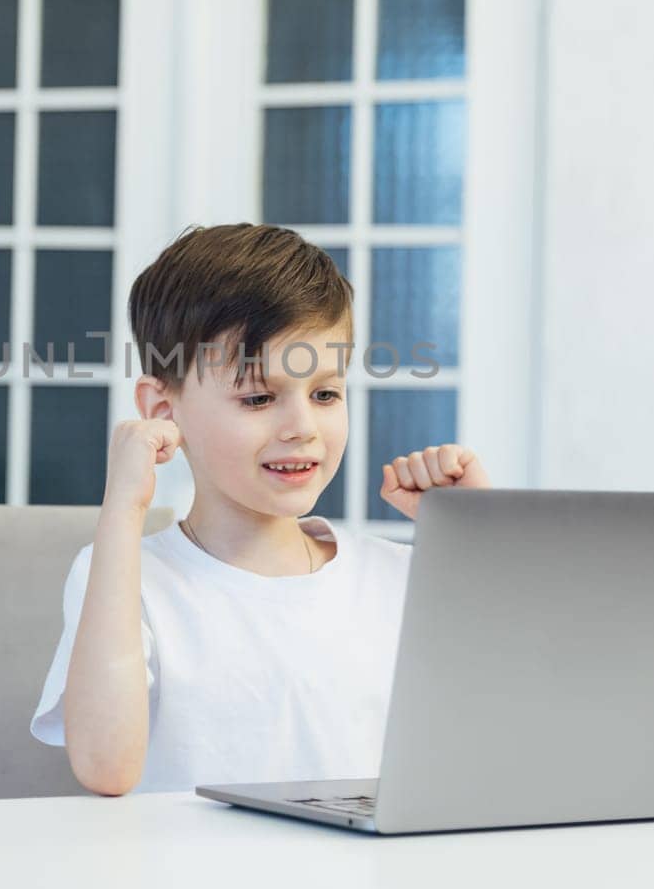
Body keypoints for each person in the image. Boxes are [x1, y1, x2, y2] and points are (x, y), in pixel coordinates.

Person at [29, 223, 491, 795]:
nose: (302, 428)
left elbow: (508, 739)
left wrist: (478, 543)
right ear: (163, 410)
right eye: (258, 398)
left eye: (325, 394)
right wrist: (122, 510)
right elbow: (105, 767)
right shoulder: (128, 580)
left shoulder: (398, 579)